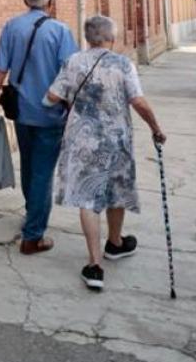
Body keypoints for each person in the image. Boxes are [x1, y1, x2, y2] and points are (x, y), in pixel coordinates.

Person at [44, 15, 166, 291]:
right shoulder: (123, 64)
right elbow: (138, 101)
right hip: (115, 140)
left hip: (82, 140)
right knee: (116, 189)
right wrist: (156, 128)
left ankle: (95, 264)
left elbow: (52, 96)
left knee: (88, 197)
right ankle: (115, 242)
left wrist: (71, 99)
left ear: (88, 38)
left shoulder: (73, 61)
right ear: (110, 38)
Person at [0, 0, 78, 255]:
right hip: (51, 113)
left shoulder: (12, 27)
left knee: (28, 164)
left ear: (26, 2)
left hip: (21, 111)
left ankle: (32, 213)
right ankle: (33, 235)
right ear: (51, 2)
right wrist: (73, 109)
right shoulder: (60, 31)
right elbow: (70, 74)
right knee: (42, 172)